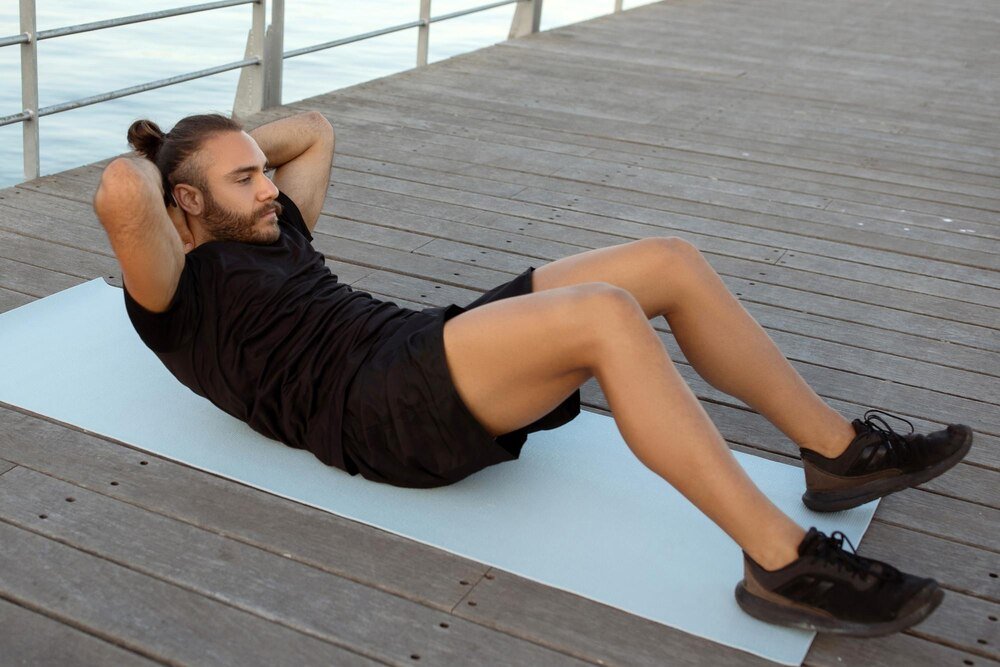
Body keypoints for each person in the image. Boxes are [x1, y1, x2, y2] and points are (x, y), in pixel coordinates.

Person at [92, 110, 973, 638]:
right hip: (373, 410)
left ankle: (840, 454)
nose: (268, 186)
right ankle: (781, 563)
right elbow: (122, 193)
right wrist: (168, 159)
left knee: (666, 259)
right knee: (605, 314)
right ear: (187, 202)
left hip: (415, 344)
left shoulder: (272, 222)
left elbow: (316, 129)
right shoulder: (175, 297)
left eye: (262, 171)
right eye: (246, 178)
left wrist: (217, 145)